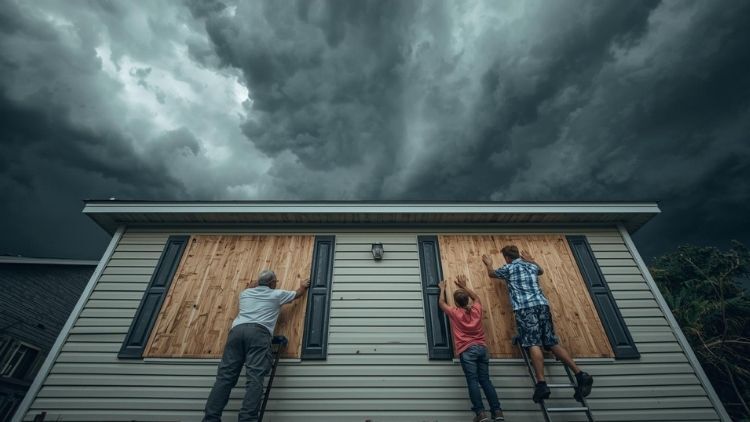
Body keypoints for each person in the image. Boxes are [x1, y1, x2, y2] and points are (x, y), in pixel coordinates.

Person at [482, 245, 593, 403]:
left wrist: (488, 263)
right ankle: (581, 374)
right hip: (542, 306)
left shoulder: (509, 267)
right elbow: (541, 271)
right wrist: (532, 260)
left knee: (533, 343)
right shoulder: (531, 265)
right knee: (551, 341)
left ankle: (541, 384)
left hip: (525, 309)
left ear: (507, 257)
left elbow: (492, 273)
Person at [203, 270, 310, 422]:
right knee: (255, 378)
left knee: (225, 378)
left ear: (258, 282)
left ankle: (210, 418)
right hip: (259, 334)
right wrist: (303, 286)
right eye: (275, 282)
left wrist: (260, 282)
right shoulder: (276, 295)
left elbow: (254, 284)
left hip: (236, 332)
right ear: (272, 283)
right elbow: (297, 294)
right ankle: (247, 419)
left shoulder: (245, 294)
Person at [439, 275, 504, 422]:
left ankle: (481, 414)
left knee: (472, 381)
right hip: (482, 349)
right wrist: (464, 286)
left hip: (467, 351)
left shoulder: (455, 313)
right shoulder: (477, 309)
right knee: (486, 381)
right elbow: (476, 297)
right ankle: (498, 412)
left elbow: (442, 303)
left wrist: (442, 288)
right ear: (467, 299)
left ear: (456, 302)